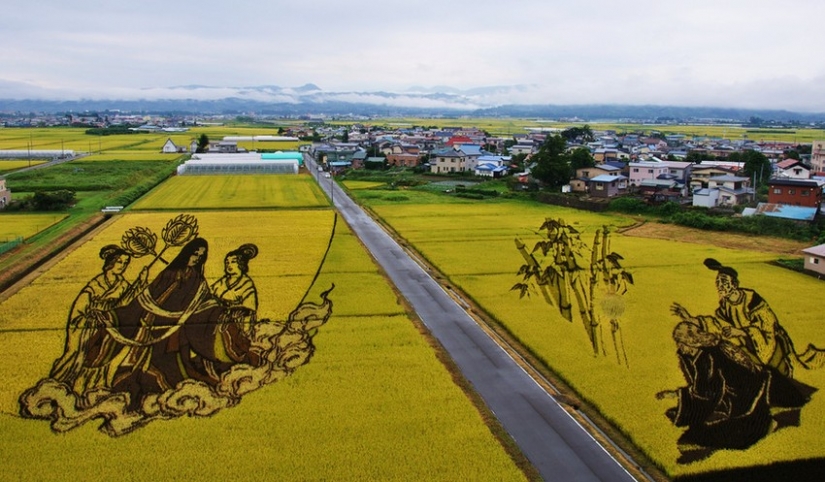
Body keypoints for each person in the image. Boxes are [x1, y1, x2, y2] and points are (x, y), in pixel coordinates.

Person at [109, 237, 221, 410]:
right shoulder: (168, 274)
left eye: (201, 255)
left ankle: (159, 396)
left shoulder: (198, 280)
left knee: (170, 366)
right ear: (186, 253)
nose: (197, 258)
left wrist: (216, 305)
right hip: (152, 325)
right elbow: (147, 296)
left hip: (174, 330)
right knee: (136, 363)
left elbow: (203, 300)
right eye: (195, 253)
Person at [656, 322, 773, 462]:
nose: (679, 347)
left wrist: (677, 394)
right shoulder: (708, 349)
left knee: (708, 434)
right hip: (745, 390)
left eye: (680, 343)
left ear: (689, 341)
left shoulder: (706, 356)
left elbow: (705, 391)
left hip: (744, 397)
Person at [671, 258, 796, 377]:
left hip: (765, 344)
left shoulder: (751, 300)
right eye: (718, 282)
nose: (720, 286)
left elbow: (768, 324)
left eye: (724, 282)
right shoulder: (724, 306)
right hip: (745, 346)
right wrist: (690, 318)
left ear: (734, 284)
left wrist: (741, 332)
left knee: (776, 375)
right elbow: (716, 323)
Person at [50, 245, 147, 396]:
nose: (123, 266)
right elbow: (79, 311)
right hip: (91, 328)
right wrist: (90, 317)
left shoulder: (122, 284)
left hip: (110, 329)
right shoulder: (96, 285)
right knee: (81, 356)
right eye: (120, 262)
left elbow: (127, 304)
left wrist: (140, 282)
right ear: (111, 262)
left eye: (125, 263)